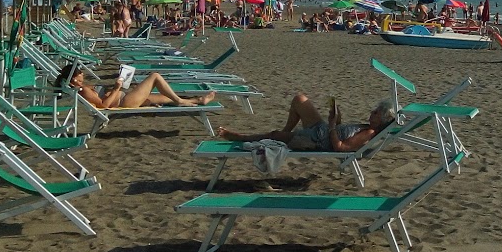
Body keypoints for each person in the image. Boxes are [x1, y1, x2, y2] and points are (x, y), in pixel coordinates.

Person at [218, 96, 396, 152]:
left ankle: (240, 137)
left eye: (376, 113)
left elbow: (340, 147)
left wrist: (333, 126)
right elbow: (342, 133)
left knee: (274, 135)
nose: (372, 113)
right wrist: (336, 119)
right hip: (321, 129)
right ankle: (284, 134)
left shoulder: (369, 134)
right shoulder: (367, 127)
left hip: (315, 139)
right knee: (299, 99)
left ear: (381, 120)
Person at [59, 63, 214, 110]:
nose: (83, 75)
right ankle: (181, 101)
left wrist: (116, 86)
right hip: (125, 101)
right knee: (155, 76)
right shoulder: (83, 90)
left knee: (166, 98)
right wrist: (116, 88)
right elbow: (104, 106)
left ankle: (198, 100)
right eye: (79, 73)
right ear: (73, 79)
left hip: (126, 97)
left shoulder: (83, 88)